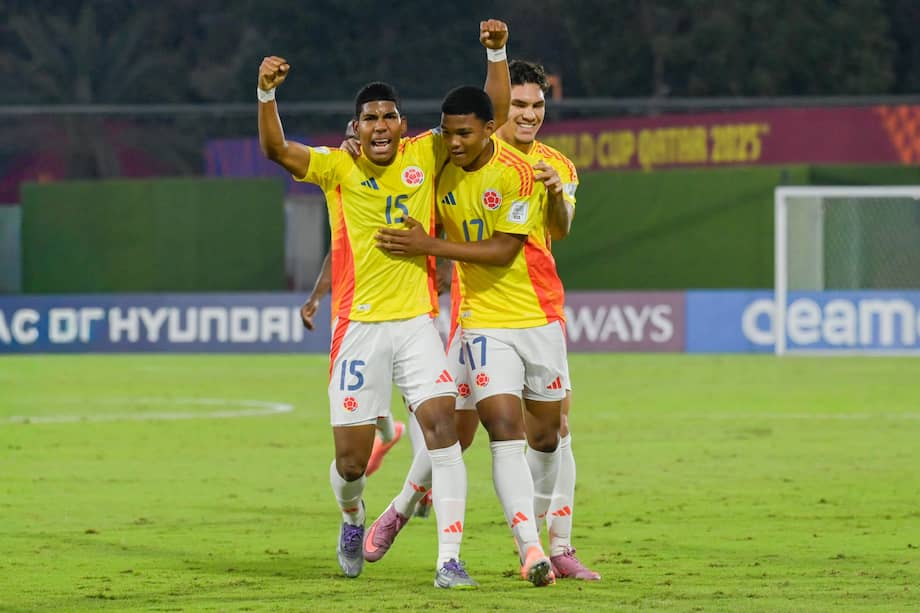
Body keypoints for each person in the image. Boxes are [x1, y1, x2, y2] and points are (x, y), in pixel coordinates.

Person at [257, 20, 510, 589]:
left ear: (403, 124)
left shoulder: (427, 153)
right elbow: (274, 148)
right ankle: (353, 517)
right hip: (359, 330)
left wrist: (497, 53)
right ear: (355, 128)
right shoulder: (336, 168)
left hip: (419, 322)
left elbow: (486, 113)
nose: (379, 125)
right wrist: (266, 93)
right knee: (351, 463)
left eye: (388, 115)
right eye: (369, 117)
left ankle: (449, 560)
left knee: (442, 429)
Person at [372, 85, 566, 587]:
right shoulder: (437, 165)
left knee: (544, 435)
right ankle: (532, 551)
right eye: (447, 131)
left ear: (486, 129)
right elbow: (390, 152)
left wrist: (429, 245)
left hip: (539, 318)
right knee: (504, 429)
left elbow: (504, 251)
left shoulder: (519, 175)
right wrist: (357, 140)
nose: (452, 142)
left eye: (463, 133)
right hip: (481, 320)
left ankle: (400, 505)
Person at [494, 59, 600, 581]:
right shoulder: (475, 155)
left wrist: (557, 190)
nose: (529, 114)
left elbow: (561, 230)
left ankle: (554, 545)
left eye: (537, 105)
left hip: (542, 311)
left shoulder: (560, 164)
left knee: (556, 429)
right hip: (480, 312)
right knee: (458, 431)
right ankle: (403, 508)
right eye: (519, 105)